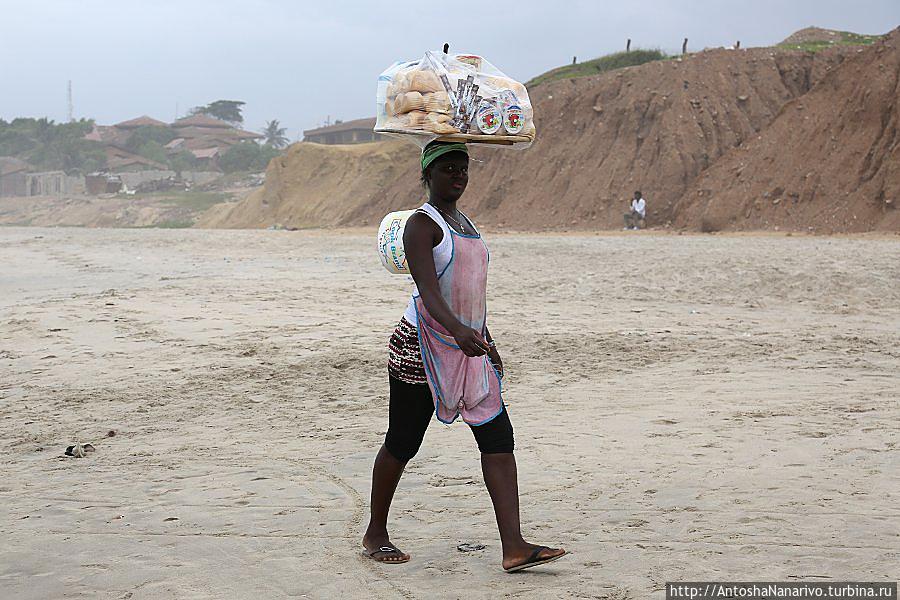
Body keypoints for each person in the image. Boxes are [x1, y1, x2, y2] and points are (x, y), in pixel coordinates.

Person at [363, 141, 567, 573]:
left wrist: (484, 339)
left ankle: (514, 546)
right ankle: (375, 533)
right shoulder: (422, 225)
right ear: (428, 176)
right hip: (420, 345)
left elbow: (472, 291)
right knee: (403, 441)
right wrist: (458, 330)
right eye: (447, 170)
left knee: (498, 438)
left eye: (462, 169)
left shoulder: (465, 223)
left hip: (469, 345)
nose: (458, 176)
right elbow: (430, 292)